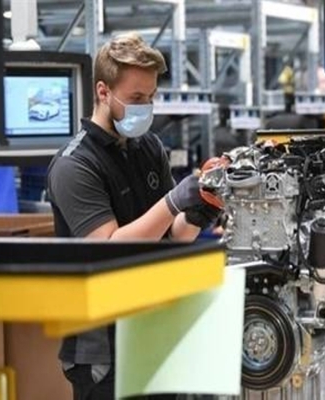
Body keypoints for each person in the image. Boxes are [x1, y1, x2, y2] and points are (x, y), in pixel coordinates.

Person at [46, 33, 220, 399]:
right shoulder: (74, 165)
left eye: (151, 97)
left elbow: (171, 236)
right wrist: (173, 201)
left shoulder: (148, 147)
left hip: (154, 330)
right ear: (103, 92)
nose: (147, 107)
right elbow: (109, 252)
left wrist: (202, 208)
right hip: (104, 352)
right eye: (137, 98)